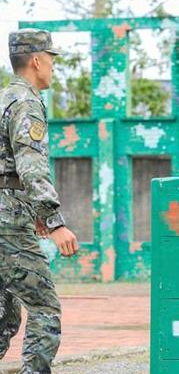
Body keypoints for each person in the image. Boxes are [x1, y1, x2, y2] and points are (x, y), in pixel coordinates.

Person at [0, 28, 79, 373]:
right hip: (8, 221)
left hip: (9, 211)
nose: (52, 67)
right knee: (44, 308)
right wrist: (53, 220)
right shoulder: (27, 103)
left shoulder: (3, 98)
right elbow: (30, 166)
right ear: (36, 60)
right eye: (50, 59)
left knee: (4, 311)